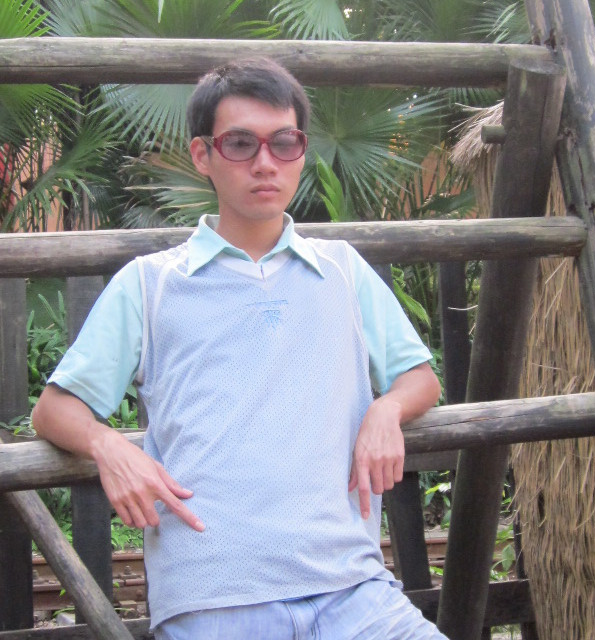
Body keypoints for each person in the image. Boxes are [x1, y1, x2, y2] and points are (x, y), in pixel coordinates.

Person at [32, 57, 447, 640]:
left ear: (301, 150)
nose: (265, 162)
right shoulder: (151, 284)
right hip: (215, 599)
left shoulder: (342, 270)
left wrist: (387, 408)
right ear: (203, 155)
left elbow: (419, 377)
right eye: (240, 143)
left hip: (354, 590)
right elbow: (54, 410)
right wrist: (108, 446)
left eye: (285, 142)